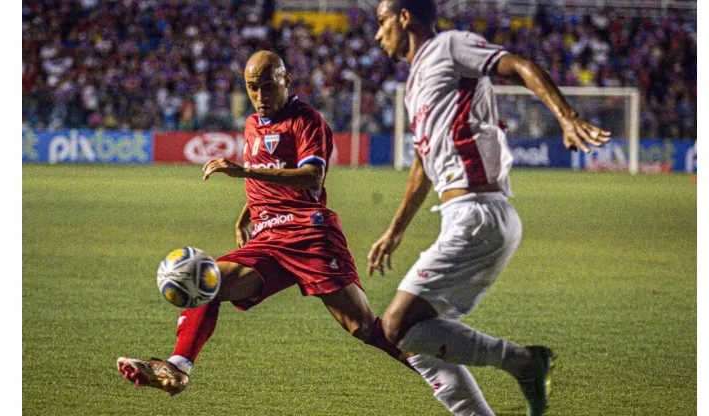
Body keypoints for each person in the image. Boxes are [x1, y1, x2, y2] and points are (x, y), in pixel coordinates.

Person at [117, 50, 409, 395]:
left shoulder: (306, 120)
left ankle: (442, 367)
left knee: (361, 327)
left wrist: (243, 171)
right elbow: (265, 178)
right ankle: (177, 367)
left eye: (268, 86)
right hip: (269, 238)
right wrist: (247, 213)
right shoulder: (253, 123)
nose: (260, 96)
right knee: (206, 281)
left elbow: (312, 176)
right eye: (252, 88)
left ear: (287, 80)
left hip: (309, 234)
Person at [368, 1, 611, 415]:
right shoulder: (414, 85)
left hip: (479, 213)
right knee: (418, 341)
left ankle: (524, 362)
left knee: (395, 325)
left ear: (404, 17)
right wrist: (396, 229)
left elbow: (516, 64)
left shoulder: (448, 46)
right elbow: (423, 164)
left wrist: (566, 117)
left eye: (382, 22)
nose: (377, 34)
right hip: (461, 218)